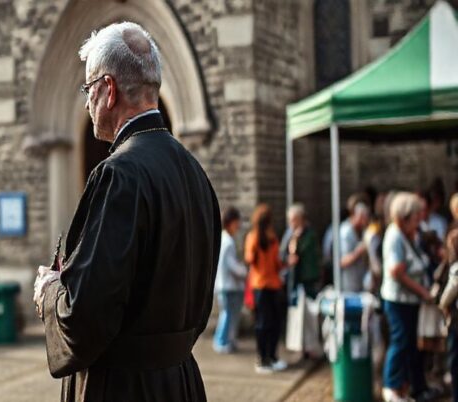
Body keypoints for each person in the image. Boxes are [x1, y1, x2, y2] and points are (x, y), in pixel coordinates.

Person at [32, 22, 220, 401]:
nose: (86, 102)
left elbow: (85, 320)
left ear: (109, 89)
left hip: (124, 389)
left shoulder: (119, 175)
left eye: (88, 89)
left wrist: (50, 291)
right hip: (180, 383)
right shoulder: (194, 171)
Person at [381, 192, 435, 402]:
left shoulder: (408, 234)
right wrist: (422, 291)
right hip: (398, 300)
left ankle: (406, 387)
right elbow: (397, 272)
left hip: (409, 300)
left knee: (409, 344)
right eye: (415, 217)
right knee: (400, 341)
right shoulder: (395, 236)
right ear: (404, 217)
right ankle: (392, 387)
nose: (418, 221)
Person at [245, 204, 287, 374]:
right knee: (274, 323)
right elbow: (277, 264)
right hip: (272, 285)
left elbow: (249, 260)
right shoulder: (272, 238)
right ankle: (270, 357)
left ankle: (264, 359)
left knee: (263, 323)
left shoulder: (253, 237)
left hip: (259, 285)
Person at [213, 207, 247, 354]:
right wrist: (245, 271)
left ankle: (227, 341)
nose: (239, 225)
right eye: (237, 221)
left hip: (225, 285)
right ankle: (222, 341)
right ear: (231, 222)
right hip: (229, 286)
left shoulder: (223, 238)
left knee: (228, 315)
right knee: (228, 315)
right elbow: (232, 266)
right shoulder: (228, 241)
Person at [280, 203, 321, 298]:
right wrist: (287, 258)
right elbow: (282, 253)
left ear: (300, 219)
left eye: (293, 220)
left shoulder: (310, 234)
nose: (291, 223)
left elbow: (303, 251)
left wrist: (296, 238)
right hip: (293, 276)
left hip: (308, 277)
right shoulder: (288, 233)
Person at [439, 230, 458, 402]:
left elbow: (448, 295)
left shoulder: (456, 269)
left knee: (455, 361)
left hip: (456, 323)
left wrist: (442, 304)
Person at [338, 202, 371, 292]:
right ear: (358, 216)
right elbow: (342, 261)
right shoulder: (346, 232)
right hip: (348, 286)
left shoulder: (363, 231)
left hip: (360, 283)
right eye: (364, 219)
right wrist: (358, 252)